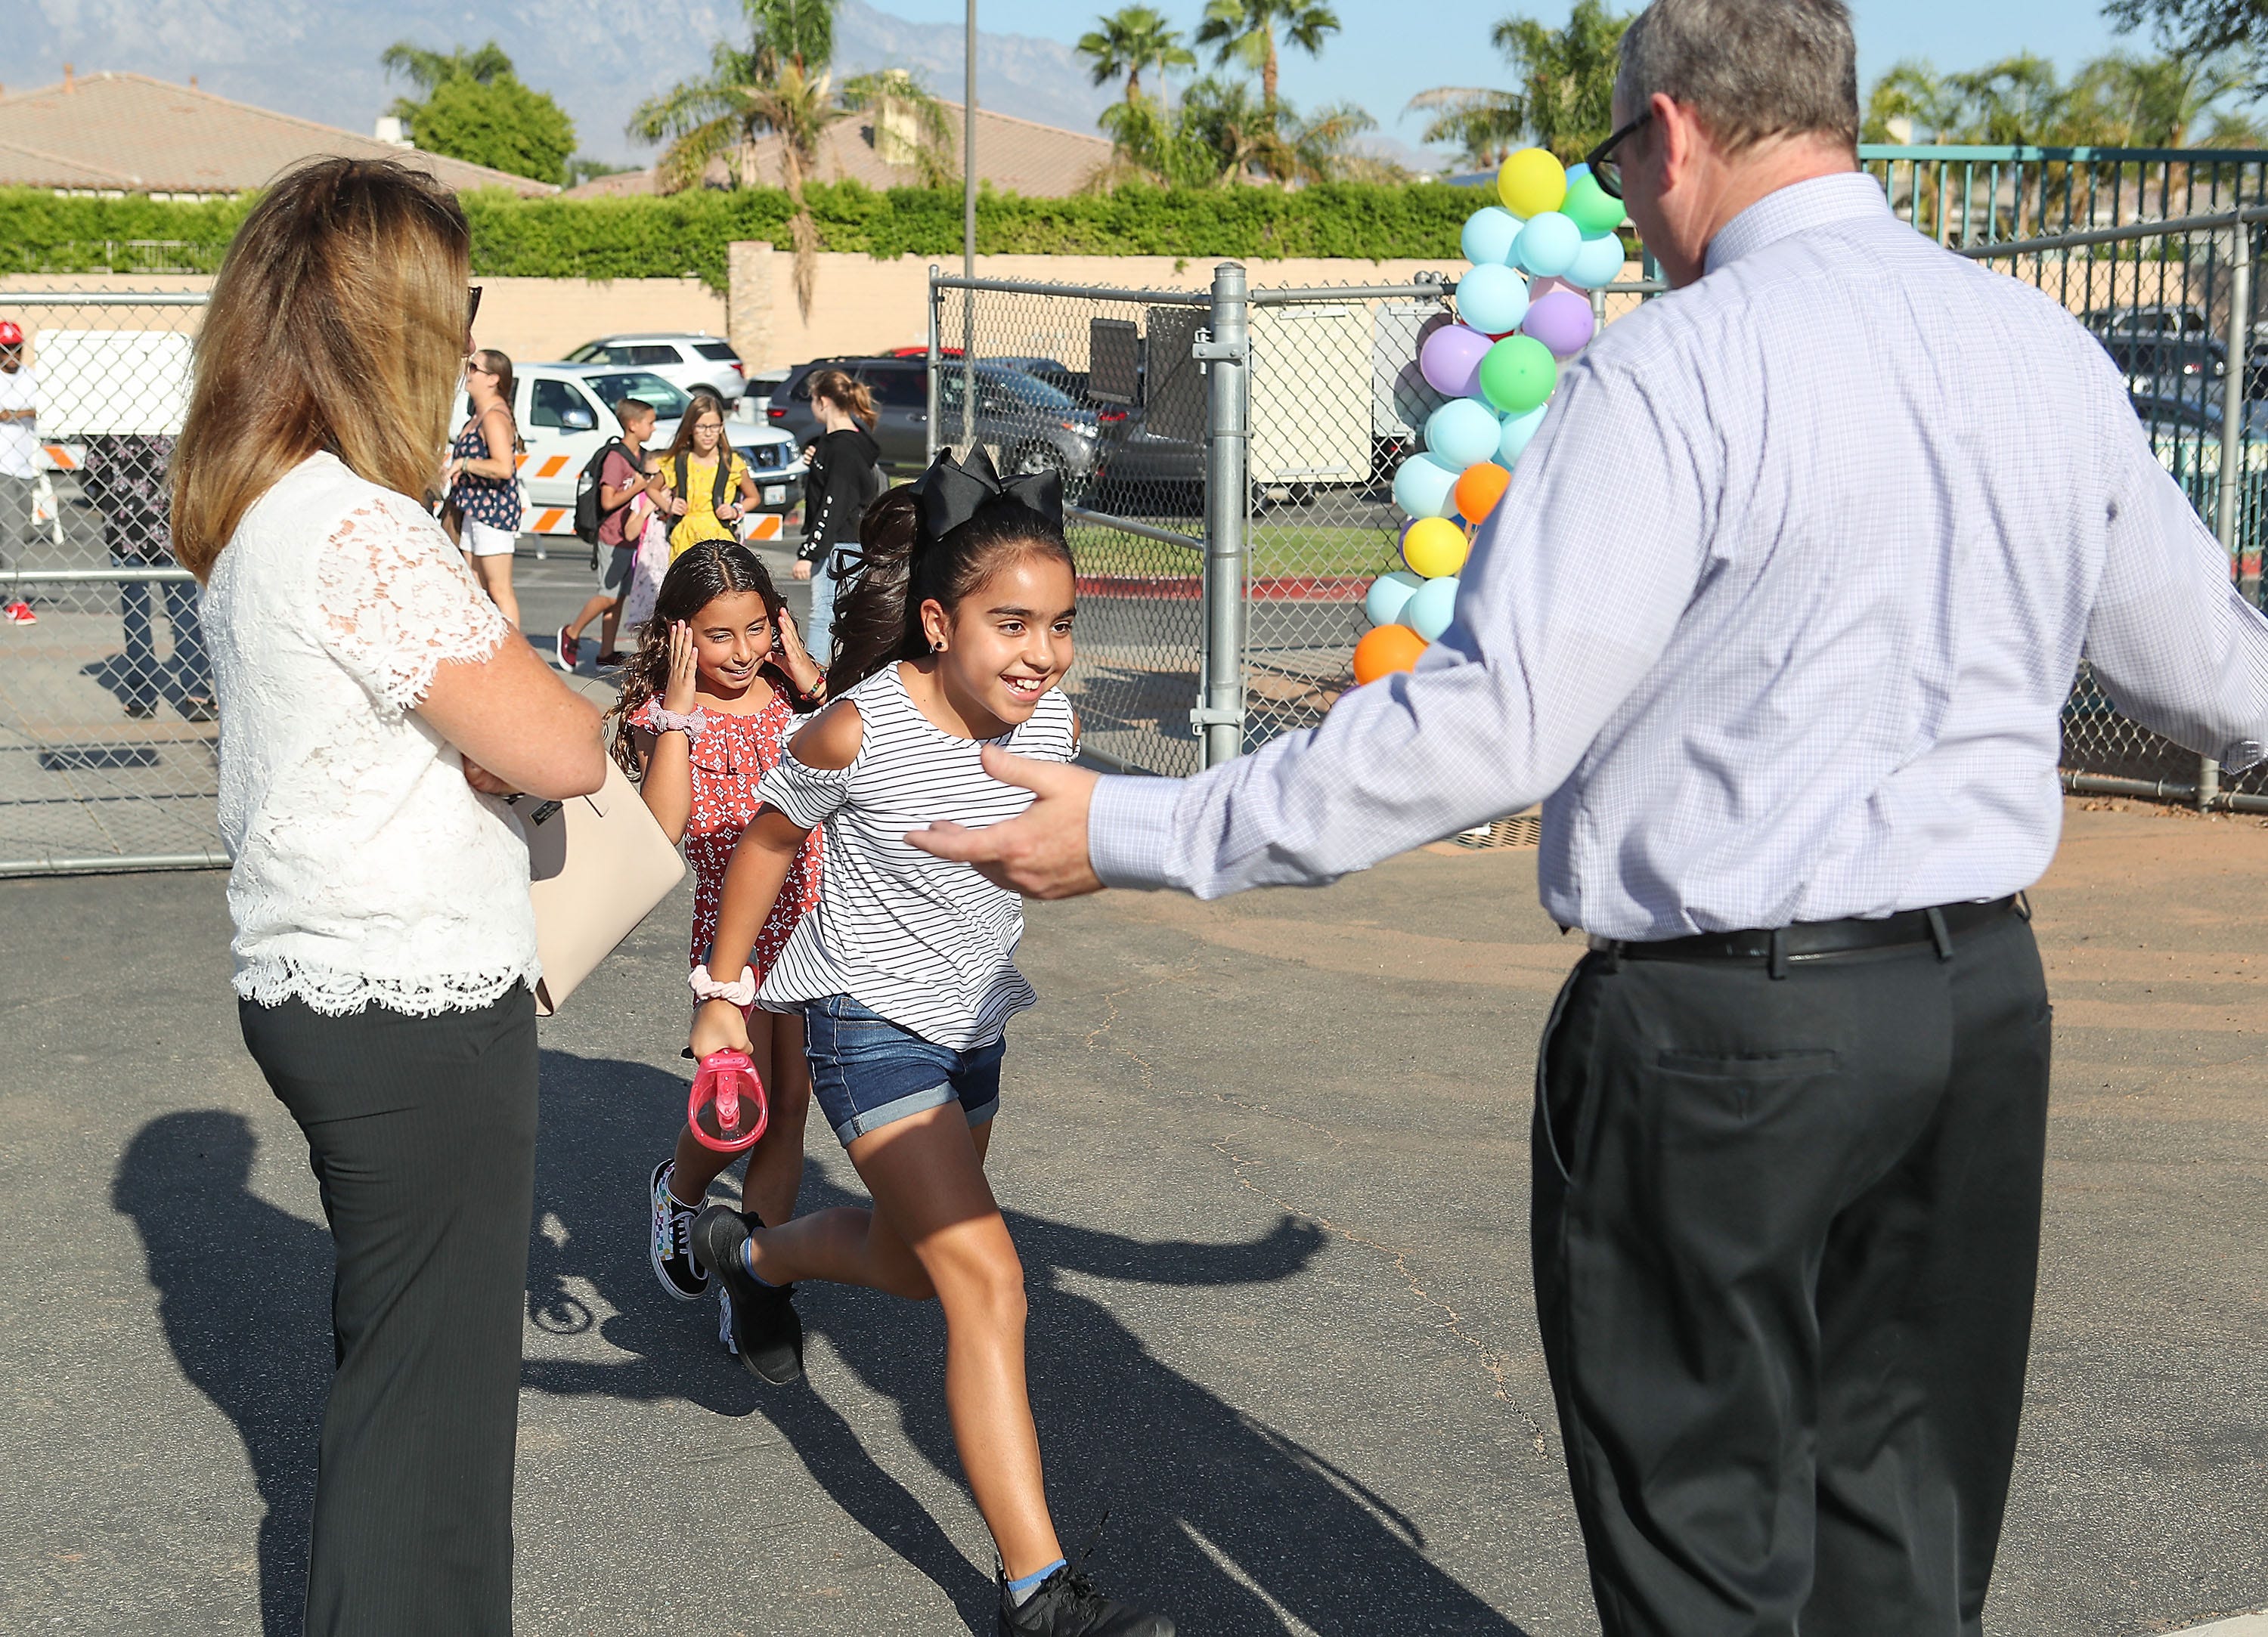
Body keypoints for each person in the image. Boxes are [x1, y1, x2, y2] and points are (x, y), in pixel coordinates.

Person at [908, 2, 2268, 1632]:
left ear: (1675, 132)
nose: (1631, 206)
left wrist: (1137, 832)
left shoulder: (1673, 372)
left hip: (1722, 1035)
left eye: (1627, 164)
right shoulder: (2041, 348)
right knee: (1908, 1537)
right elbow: (2225, 682)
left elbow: (1488, 724)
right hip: (1978, 1010)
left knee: (1705, 1558)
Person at [172, 156, 606, 1635]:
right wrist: (573, 713)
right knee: (431, 1421)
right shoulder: (361, 525)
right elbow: (559, 740)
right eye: (461, 304)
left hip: (317, 979)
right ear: (398, 323)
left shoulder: (262, 509)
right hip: (412, 1002)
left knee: (398, 1383)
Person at [686, 447, 1173, 1637]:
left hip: (973, 1023)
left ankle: (752, 1264)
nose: (1040, 654)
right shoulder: (856, 729)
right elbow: (760, 846)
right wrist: (722, 994)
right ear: (942, 620)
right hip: (866, 1023)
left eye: (1060, 626)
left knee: (916, 1264)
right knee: (989, 1282)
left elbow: (1048, 843)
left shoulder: (1046, 718)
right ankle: (1038, 1591)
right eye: (1012, 624)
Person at [605, 541, 827, 1331]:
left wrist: (807, 680)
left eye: (756, 629)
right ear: (678, 635)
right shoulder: (666, 717)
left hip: (813, 922)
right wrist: (677, 703)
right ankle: (682, 1193)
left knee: (793, 1108)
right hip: (733, 940)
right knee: (746, 1114)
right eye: (718, 636)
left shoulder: (793, 696)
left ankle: (752, 1283)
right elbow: (664, 827)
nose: (742, 653)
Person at [80, 432, 215, 721]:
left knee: (136, 611)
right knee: (185, 610)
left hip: (125, 526)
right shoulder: (172, 415)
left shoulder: (105, 426)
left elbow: (92, 480)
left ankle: (142, 695)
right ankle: (197, 691)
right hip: (173, 523)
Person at [557, 395, 662, 670]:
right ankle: (572, 632)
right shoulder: (616, 458)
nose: (654, 428)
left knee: (618, 597)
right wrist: (638, 487)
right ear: (632, 424)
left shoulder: (639, 456)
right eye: (650, 423)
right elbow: (608, 501)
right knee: (608, 594)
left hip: (630, 538)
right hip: (612, 535)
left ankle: (606, 651)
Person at [793, 367, 882, 663]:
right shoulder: (837, 441)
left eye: (812, 399)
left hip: (841, 542)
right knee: (843, 615)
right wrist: (816, 458)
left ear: (823, 400)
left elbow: (835, 502)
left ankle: (814, 682)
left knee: (824, 615)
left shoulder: (843, 447)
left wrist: (810, 551)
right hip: (842, 540)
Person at [448, 346, 524, 627]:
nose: (467, 373)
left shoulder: (493, 415)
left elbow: (503, 467)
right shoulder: (478, 415)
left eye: (474, 368)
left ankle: (518, 661)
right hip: (474, 510)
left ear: (493, 379)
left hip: (492, 512)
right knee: (474, 588)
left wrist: (464, 464)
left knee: (499, 590)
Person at [655, 391, 757, 560]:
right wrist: (668, 507)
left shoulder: (731, 462)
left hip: (720, 538)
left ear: (722, 427)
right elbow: (652, 488)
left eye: (714, 426)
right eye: (701, 427)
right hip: (685, 537)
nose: (708, 433)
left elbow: (753, 497)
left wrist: (735, 511)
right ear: (690, 428)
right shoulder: (679, 461)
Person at [0, 319, 39, 624]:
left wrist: (14, 414)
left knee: (20, 533)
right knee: (12, 535)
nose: (12, 354)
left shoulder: (31, 377)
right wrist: (22, 413)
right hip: (2, 468)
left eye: (16, 348)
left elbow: (42, 408)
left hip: (26, 466)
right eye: (5, 349)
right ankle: (15, 600)